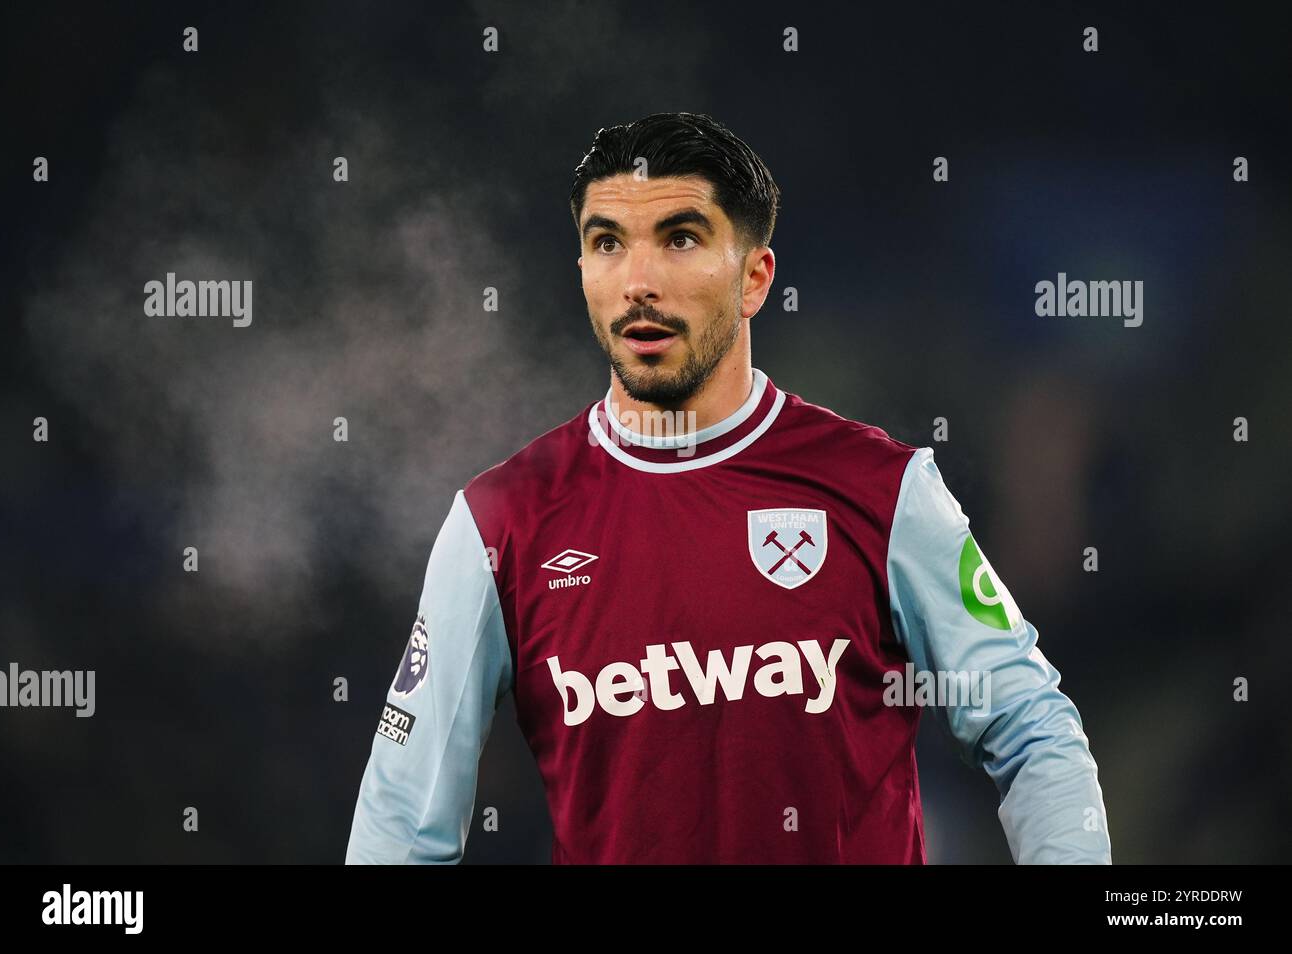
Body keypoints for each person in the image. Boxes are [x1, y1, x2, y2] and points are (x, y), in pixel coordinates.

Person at [345, 111, 1111, 864]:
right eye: (607, 243)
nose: (638, 282)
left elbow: (1030, 725)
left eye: (680, 239)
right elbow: (402, 825)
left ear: (754, 278)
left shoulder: (884, 492)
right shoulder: (498, 524)